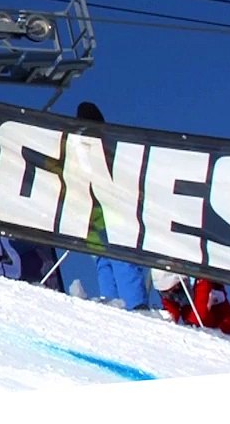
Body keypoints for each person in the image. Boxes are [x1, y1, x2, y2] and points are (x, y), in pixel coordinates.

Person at [79, 100, 150, 310]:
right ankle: (134, 304)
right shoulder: (107, 144)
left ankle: (111, 303)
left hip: (87, 212)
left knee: (103, 259)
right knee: (122, 255)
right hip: (112, 209)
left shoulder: (76, 146)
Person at [153, 270, 230, 335]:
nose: (171, 295)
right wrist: (170, 316)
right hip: (192, 315)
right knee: (186, 310)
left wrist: (192, 323)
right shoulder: (175, 293)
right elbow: (169, 304)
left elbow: (201, 306)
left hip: (217, 324)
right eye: (165, 293)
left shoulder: (200, 281)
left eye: (174, 290)